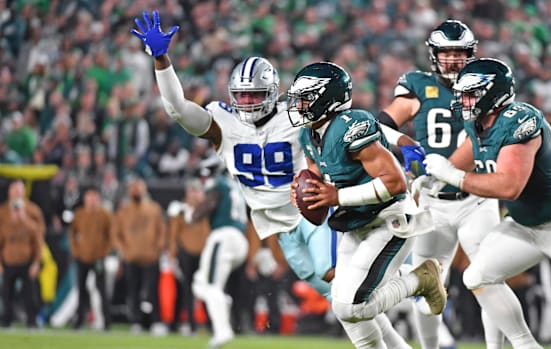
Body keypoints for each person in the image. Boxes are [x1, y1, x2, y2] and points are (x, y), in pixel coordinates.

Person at [131, 11, 412, 349]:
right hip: (276, 225)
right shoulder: (222, 122)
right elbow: (177, 109)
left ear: (273, 91)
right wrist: (162, 60)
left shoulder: (294, 114)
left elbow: (350, 123)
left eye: (255, 94)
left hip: (312, 208)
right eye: (242, 95)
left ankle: (410, 284)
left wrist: (399, 142)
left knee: (338, 283)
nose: (248, 102)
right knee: (340, 298)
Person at [423, 57, 551, 348]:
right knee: (477, 277)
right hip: (526, 224)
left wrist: (452, 175)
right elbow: (472, 148)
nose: (463, 99)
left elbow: (509, 185)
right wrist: (432, 182)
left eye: (471, 92)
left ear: (493, 93)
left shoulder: (520, 120)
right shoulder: (478, 121)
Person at [287, 61, 446, 349]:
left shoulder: (352, 126)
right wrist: (305, 192)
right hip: (354, 224)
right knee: (343, 305)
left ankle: (419, 279)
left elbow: (395, 182)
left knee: (352, 307)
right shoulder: (308, 135)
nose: (299, 105)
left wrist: (337, 197)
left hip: (389, 220)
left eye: (306, 98)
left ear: (328, 98)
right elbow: (321, 184)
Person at [379, 19, 503, 349]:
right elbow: (380, 126)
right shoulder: (418, 85)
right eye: (446, 53)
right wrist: (403, 141)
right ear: (433, 55)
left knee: (490, 280)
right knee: (425, 287)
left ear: (471, 55)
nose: (453, 60)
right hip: (432, 202)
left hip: (476, 196)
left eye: (459, 53)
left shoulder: (486, 86)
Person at [189, 156, 249, 347]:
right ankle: (222, 303)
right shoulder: (235, 187)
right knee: (200, 283)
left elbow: (202, 211)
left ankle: (223, 331)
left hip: (223, 236)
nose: (202, 181)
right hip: (239, 238)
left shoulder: (218, 185)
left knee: (211, 286)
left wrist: (189, 213)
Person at [112, 178, 167, 334]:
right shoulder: (123, 212)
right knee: (133, 291)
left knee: (152, 291)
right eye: (133, 189)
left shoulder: (154, 209)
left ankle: (156, 321)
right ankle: (136, 322)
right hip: (131, 257)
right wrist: (124, 251)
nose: (136, 192)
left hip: (151, 256)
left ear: (144, 190)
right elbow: (116, 235)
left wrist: (157, 249)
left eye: (139, 189)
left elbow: (162, 231)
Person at [166, 178, 210, 335]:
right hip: (185, 253)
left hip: (204, 252)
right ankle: (189, 324)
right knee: (185, 290)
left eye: (196, 191)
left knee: (207, 289)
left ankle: (210, 324)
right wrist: (172, 254)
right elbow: (173, 234)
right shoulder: (179, 210)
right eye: (192, 191)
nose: (194, 195)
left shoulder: (206, 208)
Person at [0, 180, 43, 328]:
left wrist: (37, 262)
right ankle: (6, 321)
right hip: (8, 258)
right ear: (9, 192)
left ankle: (32, 321)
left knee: (30, 294)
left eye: (20, 190)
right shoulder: (3, 211)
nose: (17, 193)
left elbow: (39, 237)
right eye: (14, 190)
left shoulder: (33, 210)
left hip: (27, 258)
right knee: (6, 294)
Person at [69, 188, 113, 330]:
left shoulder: (105, 215)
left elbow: (111, 236)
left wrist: (104, 252)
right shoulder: (79, 214)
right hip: (82, 257)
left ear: (98, 199)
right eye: (89, 198)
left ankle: (107, 322)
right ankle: (80, 321)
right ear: (85, 199)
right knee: (81, 290)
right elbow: (72, 234)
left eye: (95, 198)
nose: (92, 201)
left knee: (102, 290)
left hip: (98, 258)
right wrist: (76, 251)